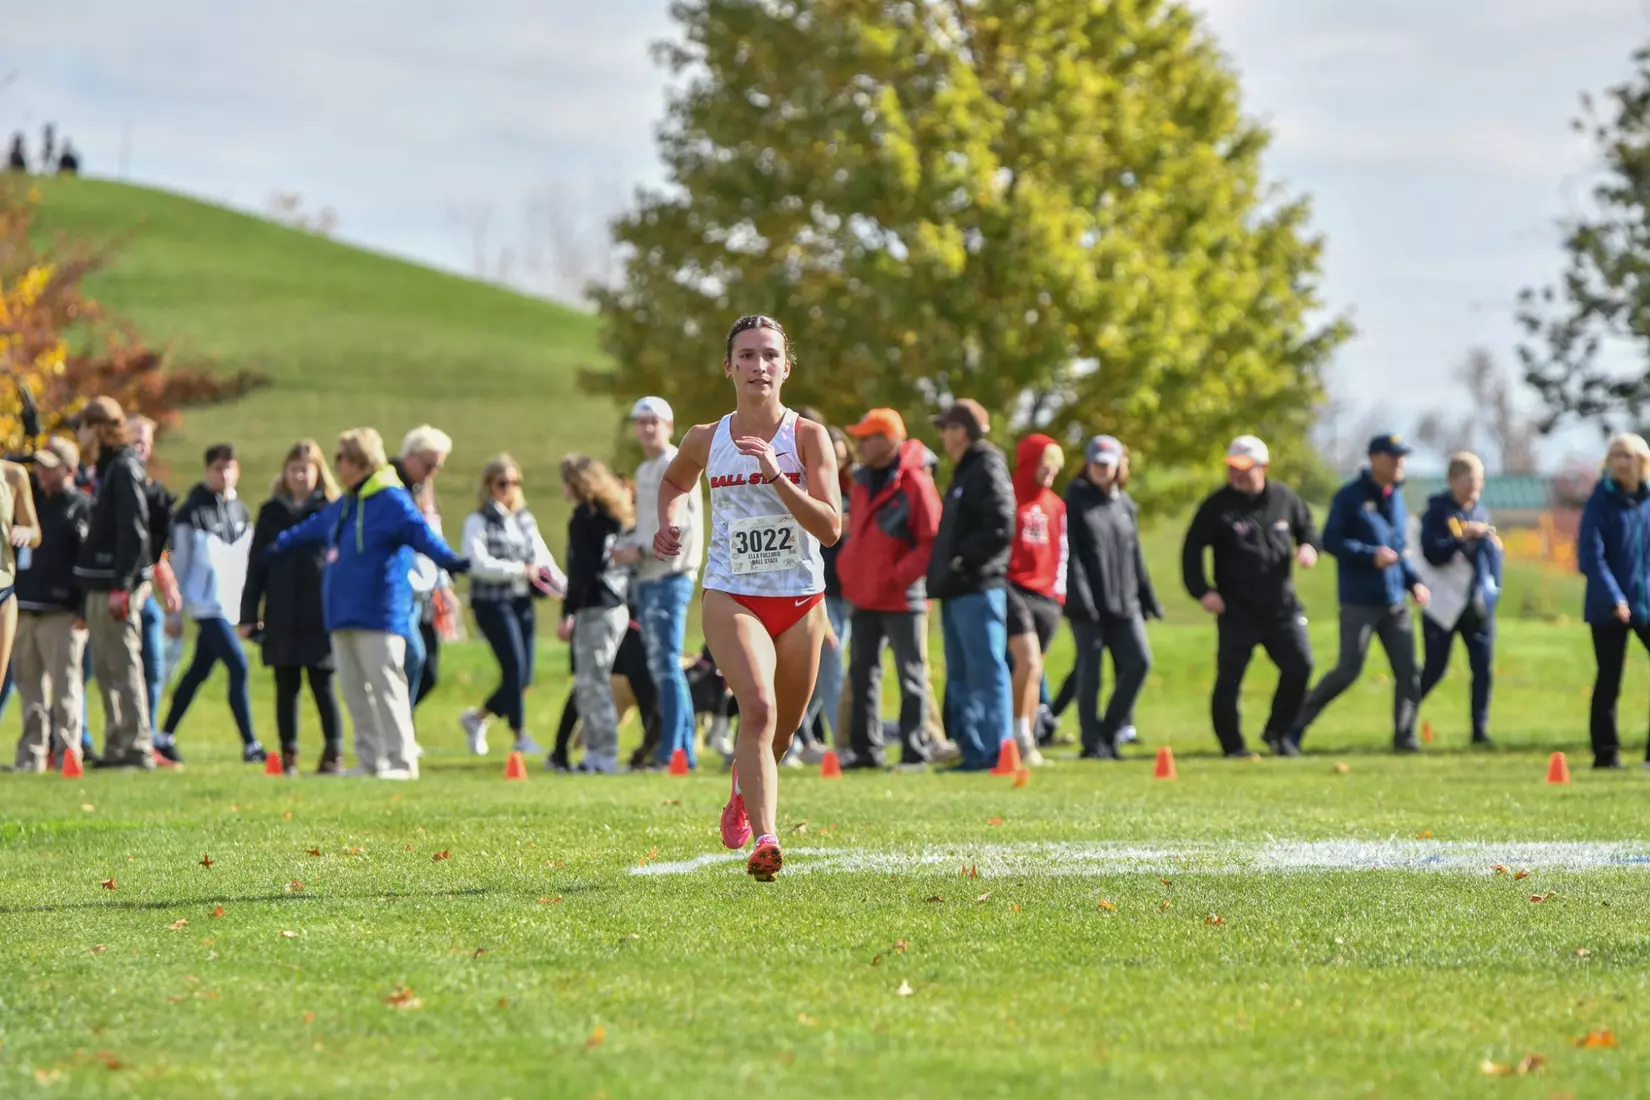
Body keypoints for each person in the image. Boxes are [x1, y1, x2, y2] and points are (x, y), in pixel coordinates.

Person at [654, 314, 841, 880]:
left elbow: (831, 528)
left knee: (781, 733)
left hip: (802, 600)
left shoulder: (807, 437)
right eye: (747, 355)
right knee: (756, 707)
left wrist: (777, 477)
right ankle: (767, 839)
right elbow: (674, 482)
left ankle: (741, 791)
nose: (759, 365)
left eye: (769, 356)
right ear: (729, 366)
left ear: (786, 367)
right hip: (732, 594)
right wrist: (668, 522)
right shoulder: (705, 438)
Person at [268, 428, 468, 779]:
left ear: (359, 461)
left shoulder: (391, 500)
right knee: (355, 692)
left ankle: (401, 762)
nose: (337, 465)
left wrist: (451, 560)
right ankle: (371, 760)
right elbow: (315, 527)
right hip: (342, 612)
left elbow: (421, 534)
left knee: (387, 686)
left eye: (342, 458)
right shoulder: (348, 503)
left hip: (379, 612)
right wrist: (279, 545)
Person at [1287, 434, 1430, 754]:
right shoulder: (1349, 497)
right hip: (1360, 601)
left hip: (1395, 602)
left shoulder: (1396, 498)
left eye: (1402, 458)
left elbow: (1398, 549)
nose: (1399, 463)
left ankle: (1404, 736)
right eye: (1393, 457)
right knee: (1347, 670)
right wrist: (1369, 555)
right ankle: (1295, 726)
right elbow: (1332, 540)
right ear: (1374, 459)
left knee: (1409, 671)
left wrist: (1413, 582)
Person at [1181, 436, 1320, 758]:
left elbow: (1308, 528)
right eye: (1231, 469)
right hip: (1237, 609)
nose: (1236, 475)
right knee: (1230, 679)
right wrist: (1202, 591)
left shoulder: (1284, 498)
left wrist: (1309, 547)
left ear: (1263, 467)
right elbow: (1191, 550)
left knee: (1301, 666)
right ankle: (1233, 745)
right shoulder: (1217, 505)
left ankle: (1278, 733)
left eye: (1243, 469)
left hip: (1281, 608)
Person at [837, 407, 940, 770]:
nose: (859, 445)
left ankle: (915, 751)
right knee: (863, 674)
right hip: (864, 594)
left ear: (888, 440)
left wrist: (898, 577)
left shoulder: (916, 481)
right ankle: (867, 752)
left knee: (911, 674)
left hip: (902, 596)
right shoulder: (863, 479)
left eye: (867, 438)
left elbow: (930, 540)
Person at [241, 440, 344, 775]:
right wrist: (248, 614)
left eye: (306, 469)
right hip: (281, 611)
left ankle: (333, 752)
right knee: (286, 685)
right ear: (285, 473)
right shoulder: (271, 512)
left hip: (320, 611)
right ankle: (289, 754)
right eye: (294, 469)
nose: (300, 475)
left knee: (322, 683)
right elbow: (256, 565)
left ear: (318, 472)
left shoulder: (331, 510)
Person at [156, 444, 260, 764]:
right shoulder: (191, 512)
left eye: (229, 467)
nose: (224, 474)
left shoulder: (240, 511)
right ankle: (250, 745)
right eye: (218, 468)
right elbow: (180, 562)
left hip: (229, 606)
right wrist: (176, 611)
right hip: (205, 605)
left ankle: (163, 736)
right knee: (238, 666)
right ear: (207, 471)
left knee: (197, 671)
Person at [927, 398, 1015, 771]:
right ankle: (974, 749)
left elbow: (1001, 524)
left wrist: (965, 562)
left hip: (978, 588)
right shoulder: (967, 469)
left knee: (986, 671)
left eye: (946, 428)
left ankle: (996, 750)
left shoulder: (986, 465)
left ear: (961, 431)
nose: (943, 436)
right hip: (959, 589)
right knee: (963, 674)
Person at [617, 396, 704, 770]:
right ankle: (680, 749)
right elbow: (647, 523)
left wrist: (638, 550)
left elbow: (679, 525)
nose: (648, 428)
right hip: (649, 576)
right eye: (641, 422)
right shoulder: (644, 469)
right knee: (662, 666)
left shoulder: (675, 461)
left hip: (670, 574)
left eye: (655, 421)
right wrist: (626, 544)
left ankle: (674, 751)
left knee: (667, 665)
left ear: (669, 426)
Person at [1064, 435, 1162, 760]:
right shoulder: (1075, 501)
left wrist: (1147, 598)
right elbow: (1072, 556)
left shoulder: (1124, 505)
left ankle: (1110, 730)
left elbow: (1135, 556)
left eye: (1107, 464)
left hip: (1125, 604)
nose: (1101, 469)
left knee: (1139, 663)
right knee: (1090, 675)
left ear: (1120, 465)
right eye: (1096, 463)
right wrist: (1081, 599)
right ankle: (1092, 743)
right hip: (1089, 607)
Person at [460, 454, 565, 756]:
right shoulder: (477, 521)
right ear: (489, 486)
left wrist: (568, 589)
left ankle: (477, 718)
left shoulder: (524, 519)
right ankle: (519, 736)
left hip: (521, 602)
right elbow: (477, 564)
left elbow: (543, 559)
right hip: (492, 604)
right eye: (502, 483)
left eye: (514, 482)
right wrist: (519, 570)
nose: (509, 489)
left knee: (524, 675)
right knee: (513, 668)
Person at [71, 397, 154, 769]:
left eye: (82, 427)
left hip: (115, 585)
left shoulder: (123, 468)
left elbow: (134, 530)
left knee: (123, 665)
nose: (78, 435)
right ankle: (116, 746)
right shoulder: (104, 469)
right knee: (105, 668)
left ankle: (137, 747)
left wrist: (123, 582)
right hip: (99, 583)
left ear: (100, 428)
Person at [1417, 452, 1503, 749]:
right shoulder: (1438, 512)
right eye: (1469, 480)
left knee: (1483, 666)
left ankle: (1480, 730)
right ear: (1453, 479)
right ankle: (1404, 721)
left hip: (1476, 603)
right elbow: (1432, 552)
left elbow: (1491, 557)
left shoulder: (1482, 512)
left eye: (1479, 480)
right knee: (1435, 668)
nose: (1475, 486)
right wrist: (1463, 537)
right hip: (1443, 602)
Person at [1577, 433, 1650, 770]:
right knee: (1609, 679)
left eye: (1629, 456)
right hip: (1608, 606)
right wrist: (1614, 597)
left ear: (1642, 462)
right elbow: (1591, 557)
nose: (1622, 462)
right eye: (1616, 456)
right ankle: (1606, 755)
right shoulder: (1599, 502)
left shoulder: (1647, 501)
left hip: (1645, 602)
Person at [558, 454, 635, 774]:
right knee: (593, 682)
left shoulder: (584, 519)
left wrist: (568, 610)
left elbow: (582, 570)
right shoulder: (610, 516)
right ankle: (596, 753)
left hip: (597, 607)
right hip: (615, 605)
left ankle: (603, 754)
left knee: (592, 684)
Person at [11, 438, 83, 772]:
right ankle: (31, 757)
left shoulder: (81, 506)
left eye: (49, 466)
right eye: (38, 465)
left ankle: (68, 754)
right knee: (30, 690)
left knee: (65, 688)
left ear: (69, 469)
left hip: (62, 613)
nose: (40, 471)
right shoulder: (31, 500)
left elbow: (85, 562)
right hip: (25, 608)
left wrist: (82, 609)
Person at [1005, 433, 1068, 767]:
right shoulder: (1009, 495)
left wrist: (1058, 595)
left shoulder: (1056, 505)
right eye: (1045, 465)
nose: (1050, 473)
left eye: (1055, 467)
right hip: (1012, 587)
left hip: (1046, 596)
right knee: (1026, 662)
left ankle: (1025, 736)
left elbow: (1063, 552)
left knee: (1034, 670)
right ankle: (1019, 737)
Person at [799, 420, 855, 764]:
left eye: (842, 458)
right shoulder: (808, 487)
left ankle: (797, 738)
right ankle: (841, 743)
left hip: (847, 591)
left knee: (819, 675)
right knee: (831, 664)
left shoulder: (852, 488)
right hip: (820, 589)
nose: (837, 464)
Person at [391, 425, 453, 713]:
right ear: (410, 457)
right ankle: (398, 729)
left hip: (424, 593)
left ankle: (403, 725)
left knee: (429, 670)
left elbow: (435, 539)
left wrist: (443, 584)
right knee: (412, 657)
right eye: (429, 465)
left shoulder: (424, 489)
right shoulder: (392, 489)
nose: (433, 473)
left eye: (438, 466)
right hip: (400, 591)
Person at [129, 416, 181, 733]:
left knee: (154, 665)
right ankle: (75, 741)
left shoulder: (156, 494)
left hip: (144, 590)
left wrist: (168, 583)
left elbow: (160, 550)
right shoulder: (103, 486)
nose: (142, 445)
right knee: (86, 668)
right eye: (136, 438)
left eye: (146, 440)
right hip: (104, 590)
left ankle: (145, 739)